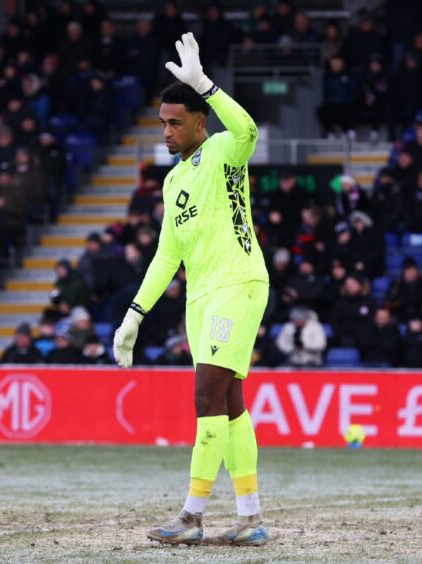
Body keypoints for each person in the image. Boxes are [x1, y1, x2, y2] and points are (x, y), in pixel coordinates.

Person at [110, 34, 269, 546]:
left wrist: (206, 84)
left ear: (200, 122)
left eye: (176, 121)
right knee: (230, 405)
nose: (167, 131)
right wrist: (135, 314)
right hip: (199, 299)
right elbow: (166, 256)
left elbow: (247, 127)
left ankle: (192, 516)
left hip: (238, 284)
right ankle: (251, 518)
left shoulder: (225, 149)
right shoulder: (173, 182)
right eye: (162, 122)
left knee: (205, 395)